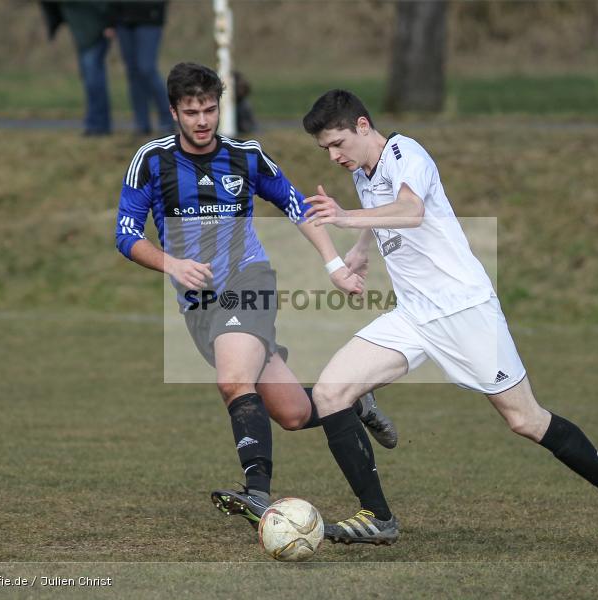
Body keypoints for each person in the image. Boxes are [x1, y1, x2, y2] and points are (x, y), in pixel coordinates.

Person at [297, 90, 598, 558]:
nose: (334, 156)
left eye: (337, 143)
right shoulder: (364, 170)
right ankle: (377, 516)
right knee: (329, 393)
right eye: (326, 150)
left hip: (464, 310)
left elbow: (411, 211)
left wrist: (342, 217)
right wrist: (360, 249)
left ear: (362, 126)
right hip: (414, 314)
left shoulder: (406, 152)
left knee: (524, 418)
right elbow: (384, 214)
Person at [114, 63, 397, 530]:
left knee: (232, 381)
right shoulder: (151, 160)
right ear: (174, 112)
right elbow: (126, 234)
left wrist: (333, 264)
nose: (203, 120)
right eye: (191, 112)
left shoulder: (247, 156)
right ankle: (355, 402)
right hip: (198, 305)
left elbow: (295, 205)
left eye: (210, 109)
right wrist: (172, 263)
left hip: (249, 283)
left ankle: (257, 494)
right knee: (292, 412)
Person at [41, 1, 113, 136]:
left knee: (93, 80)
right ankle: (95, 124)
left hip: (96, 31)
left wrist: (109, 22)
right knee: (90, 79)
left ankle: (99, 126)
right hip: (84, 34)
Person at [113, 1, 174, 135]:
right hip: (122, 18)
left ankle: (168, 119)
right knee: (133, 73)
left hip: (149, 17)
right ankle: (142, 124)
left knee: (146, 68)